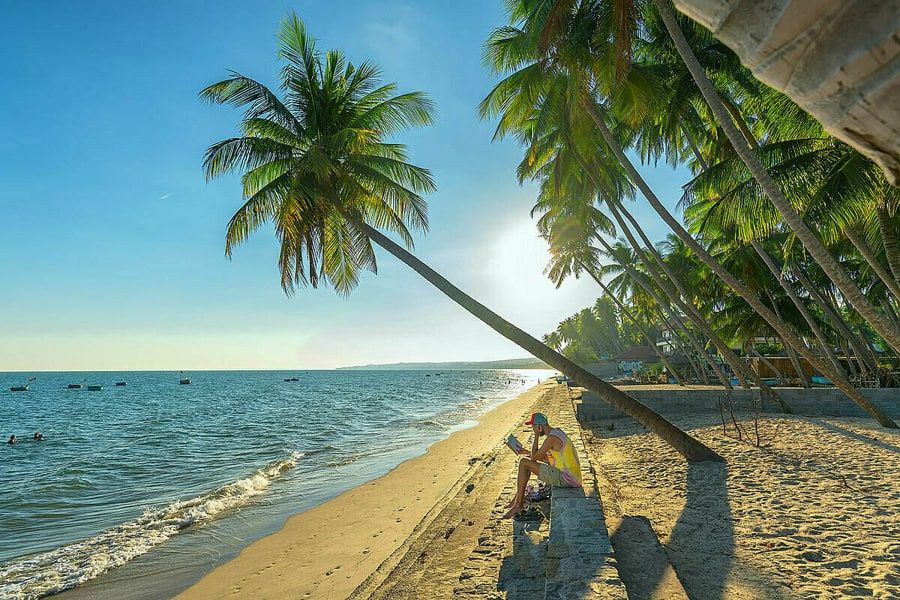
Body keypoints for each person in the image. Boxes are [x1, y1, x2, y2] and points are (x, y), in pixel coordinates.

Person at [503, 412, 582, 518]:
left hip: (566, 478)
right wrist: (526, 452)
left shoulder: (551, 438)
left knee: (523, 463)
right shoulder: (557, 432)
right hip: (571, 476)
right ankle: (517, 499)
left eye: (533, 427)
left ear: (539, 426)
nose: (533, 429)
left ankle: (518, 504)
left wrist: (536, 436)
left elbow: (534, 458)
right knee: (526, 462)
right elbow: (546, 458)